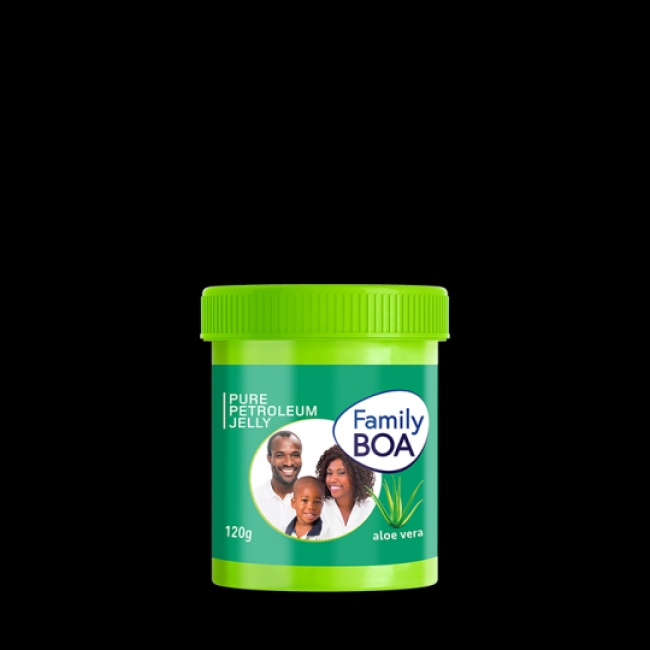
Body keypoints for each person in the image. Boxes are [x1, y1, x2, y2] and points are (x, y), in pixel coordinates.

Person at [315, 444, 375, 537]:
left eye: (341, 473)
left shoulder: (370, 510)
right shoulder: (318, 509)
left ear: (356, 476)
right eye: (329, 473)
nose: (332, 479)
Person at [253, 430, 302, 530]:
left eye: (295, 455)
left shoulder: (317, 502)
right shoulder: (253, 499)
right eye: (280, 455)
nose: (288, 463)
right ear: (269, 458)